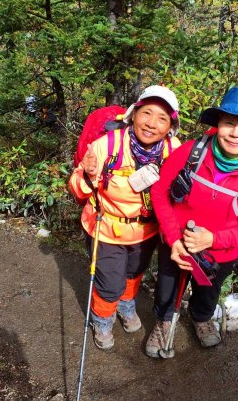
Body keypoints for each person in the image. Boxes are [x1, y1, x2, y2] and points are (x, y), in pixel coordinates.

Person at [146, 86, 238, 358]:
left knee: (208, 291)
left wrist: (214, 240)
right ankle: (162, 322)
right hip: (177, 243)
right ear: (218, 123)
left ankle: (201, 318)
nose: (235, 133)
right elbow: (159, 191)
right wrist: (173, 240)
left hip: (222, 253)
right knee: (166, 288)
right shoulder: (191, 152)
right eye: (229, 122)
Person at [69, 85, 181, 350]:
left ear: (170, 127)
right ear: (134, 113)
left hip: (146, 231)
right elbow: (77, 188)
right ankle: (102, 319)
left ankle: (126, 304)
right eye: (147, 113)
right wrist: (87, 174)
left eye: (162, 118)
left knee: (134, 272)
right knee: (109, 282)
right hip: (107, 228)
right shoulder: (107, 144)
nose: (152, 124)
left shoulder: (173, 150)